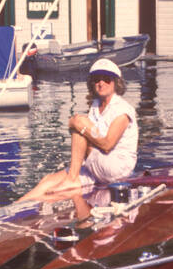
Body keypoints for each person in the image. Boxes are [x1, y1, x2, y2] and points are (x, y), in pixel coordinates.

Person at [15, 58, 137, 202]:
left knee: (79, 122)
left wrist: (78, 124)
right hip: (97, 163)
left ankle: (72, 178)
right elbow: (91, 136)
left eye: (106, 79)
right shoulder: (96, 105)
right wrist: (79, 126)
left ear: (116, 82)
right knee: (49, 181)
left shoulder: (122, 110)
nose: (101, 83)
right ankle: (13, 207)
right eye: (97, 79)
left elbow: (107, 144)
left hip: (116, 168)